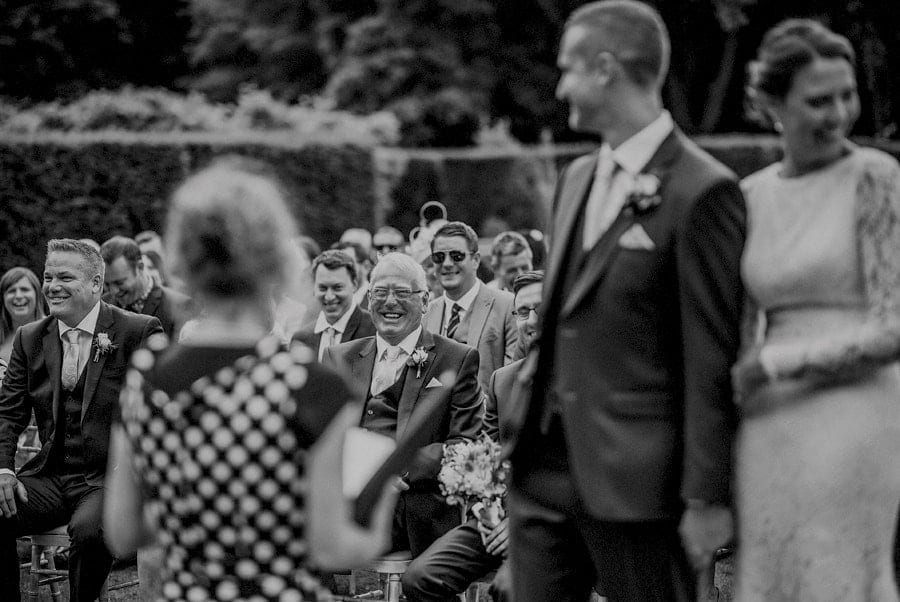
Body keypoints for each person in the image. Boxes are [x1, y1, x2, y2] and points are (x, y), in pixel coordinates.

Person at [506, 2, 746, 601]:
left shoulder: (703, 190)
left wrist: (708, 496)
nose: (561, 86)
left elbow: (713, 355)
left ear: (606, 69)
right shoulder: (576, 179)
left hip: (640, 484)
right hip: (542, 469)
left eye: (569, 69)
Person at [103, 159, 399, 601]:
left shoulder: (148, 374)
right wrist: (381, 497)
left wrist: (200, 513)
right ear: (277, 260)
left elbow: (123, 533)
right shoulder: (312, 385)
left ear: (183, 260)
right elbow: (334, 547)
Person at [732, 19, 900, 600]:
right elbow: (742, 325)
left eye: (846, 95)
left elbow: (893, 328)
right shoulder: (750, 197)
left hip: (858, 415)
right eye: (818, 101)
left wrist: (776, 365)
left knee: (838, 573)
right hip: (767, 424)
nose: (839, 114)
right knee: (770, 574)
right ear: (771, 103)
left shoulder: (876, 178)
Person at [0, 239, 163, 602]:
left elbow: (160, 411)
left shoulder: (138, 331)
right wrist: (4, 470)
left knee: (89, 531)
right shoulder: (31, 338)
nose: (52, 286)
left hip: (110, 479)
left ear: (96, 284)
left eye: (65, 277)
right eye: (48, 276)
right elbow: (9, 413)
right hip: (52, 476)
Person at [322, 252, 483, 558]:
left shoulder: (457, 358)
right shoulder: (339, 357)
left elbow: (465, 443)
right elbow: (323, 436)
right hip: (349, 501)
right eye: (380, 292)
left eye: (402, 292)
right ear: (369, 301)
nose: (390, 302)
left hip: (417, 506)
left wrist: (395, 470)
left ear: (425, 302)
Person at [402, 270, 544, 602]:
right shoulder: (502, 381)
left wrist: (521, 527)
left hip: (557, 527)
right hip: (496, 520)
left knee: (509, 590)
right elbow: (484, 461)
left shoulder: (583, 378)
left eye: (540, 308)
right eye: (522, 311)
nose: (530, 320)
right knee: (421, 578)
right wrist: (486, 510)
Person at [423, 222, 518, 390]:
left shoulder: (507, 305)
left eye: (456, 256)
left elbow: (511, 381)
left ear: (475, 260)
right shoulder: (426, 313)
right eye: (439, 257)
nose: (447, 263)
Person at [100, 235, 193, 338]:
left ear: (140, 267)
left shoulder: (178, 305)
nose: (113, 291)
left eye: (119, 282)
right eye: (107, 284)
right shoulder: (102, 305)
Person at [293, 249, 376, 360]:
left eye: (337, 288)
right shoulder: (301, 339)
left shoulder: (374, 331)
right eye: (322, 288)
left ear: (354, 284)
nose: (329, 296)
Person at [0, 267, 46, 365]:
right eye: (11, 291)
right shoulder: (2, 336)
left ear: (37, 294)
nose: (18, 296)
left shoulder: (54, 330)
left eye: (24, 290)